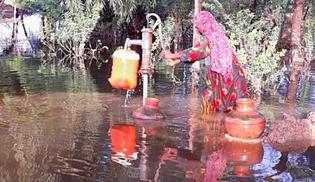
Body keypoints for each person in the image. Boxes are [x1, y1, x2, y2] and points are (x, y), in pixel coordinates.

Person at [163, 11, 248, 113]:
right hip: (234, 74)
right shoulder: (216, 33)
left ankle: (209, 124)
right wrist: (176, 61)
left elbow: (198, 51)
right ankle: (216, 125)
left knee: (211, 100)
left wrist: (171, 55)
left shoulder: (211, 36)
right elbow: (203, 53)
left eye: (197, 25)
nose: (196, 28)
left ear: (204, 24)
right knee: (234, 110)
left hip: (229, 75)